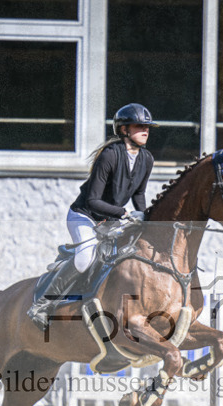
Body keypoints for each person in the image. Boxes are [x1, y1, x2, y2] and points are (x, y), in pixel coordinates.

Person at [27, 103, 157, 328]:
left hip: (110, 220)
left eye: (147, 126)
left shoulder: (147, 159)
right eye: (139, 126)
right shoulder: (109, 155)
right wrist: (124, 213)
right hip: (84, 216)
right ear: (124, 130)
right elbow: (93, 200)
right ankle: (42, 304)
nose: (145, 130)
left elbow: (139, 193)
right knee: (86, 256)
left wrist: (145, 218)